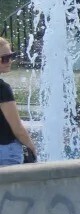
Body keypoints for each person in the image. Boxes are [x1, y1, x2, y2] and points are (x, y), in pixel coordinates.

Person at [0, 37, 37, 167]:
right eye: (4, 58)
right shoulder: (3, 89)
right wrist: (32, 148)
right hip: (6, 152)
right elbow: (17, 128)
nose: (9, 61)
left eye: (11, 56)